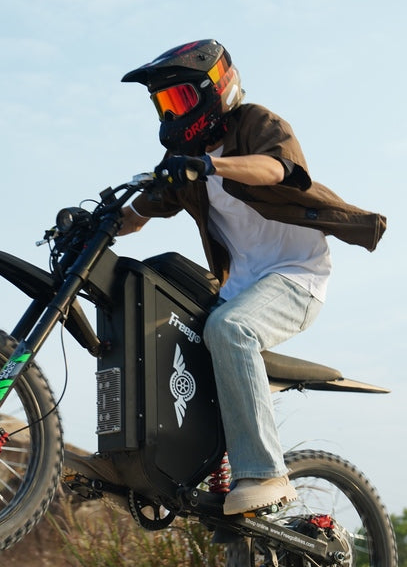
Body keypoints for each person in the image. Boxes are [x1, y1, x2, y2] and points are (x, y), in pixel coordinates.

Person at [119, 39, 386, 515]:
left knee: (230, 330)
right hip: (240, 288)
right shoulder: (187, 163)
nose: (171, 113)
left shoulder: (256, 123)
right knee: (161, 330)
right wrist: (97, 224)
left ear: (215, 89)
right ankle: (179, 464)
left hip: (296, 278)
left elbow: (276, 169)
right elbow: (138, 213)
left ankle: (264, 472)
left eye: (179, 99)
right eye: (163, 103)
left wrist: (209, 165)